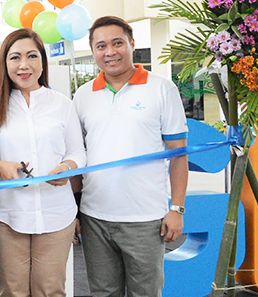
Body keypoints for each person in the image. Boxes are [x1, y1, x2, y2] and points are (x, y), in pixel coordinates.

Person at [72, 16, 188, 297]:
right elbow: (76, 157)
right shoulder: (83, 95)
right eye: (101, 46)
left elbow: (179, 155)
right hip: (94, 217)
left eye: (117, 43)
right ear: (93, 50)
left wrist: (177, 209)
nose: (110, 52)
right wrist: (75, 210)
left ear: (132, 44)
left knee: (146, 293)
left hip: (146, 219)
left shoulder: (161, 88)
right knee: (103, 293)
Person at [0, 28, 85, 297]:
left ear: (43, 61)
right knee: (13, 291)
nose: (24, 65)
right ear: (4, 63)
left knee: (51, 290)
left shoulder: (62, 104)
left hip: (57, 213)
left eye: (32, 56)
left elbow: (77, 152)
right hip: (7, 215)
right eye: (15, 57)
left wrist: (67, 168)